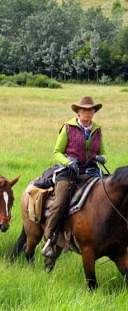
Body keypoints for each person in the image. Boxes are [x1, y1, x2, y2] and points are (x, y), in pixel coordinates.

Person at [41, 96, 106, 258]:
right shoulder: (68, 127)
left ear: (94, 112)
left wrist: (102, 158)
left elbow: (102, 152)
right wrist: (68, 162)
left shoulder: (97, 130)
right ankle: (49, 240)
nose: (87, 113)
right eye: (83, 110)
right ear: (78, 111)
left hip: (91, 171)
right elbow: (57, 152)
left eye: (90, 110)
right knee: (61, 201)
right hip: (69, 171)